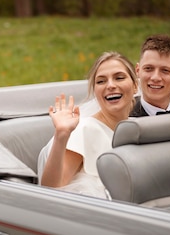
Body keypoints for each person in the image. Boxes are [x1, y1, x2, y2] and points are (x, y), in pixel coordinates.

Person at [39, 52, 138, 198]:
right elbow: (51, 188)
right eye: (101, 81)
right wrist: (61, 134)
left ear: (135, 86)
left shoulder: (137, 129)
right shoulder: (85, 130)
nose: (110, 85)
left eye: (119, 78)